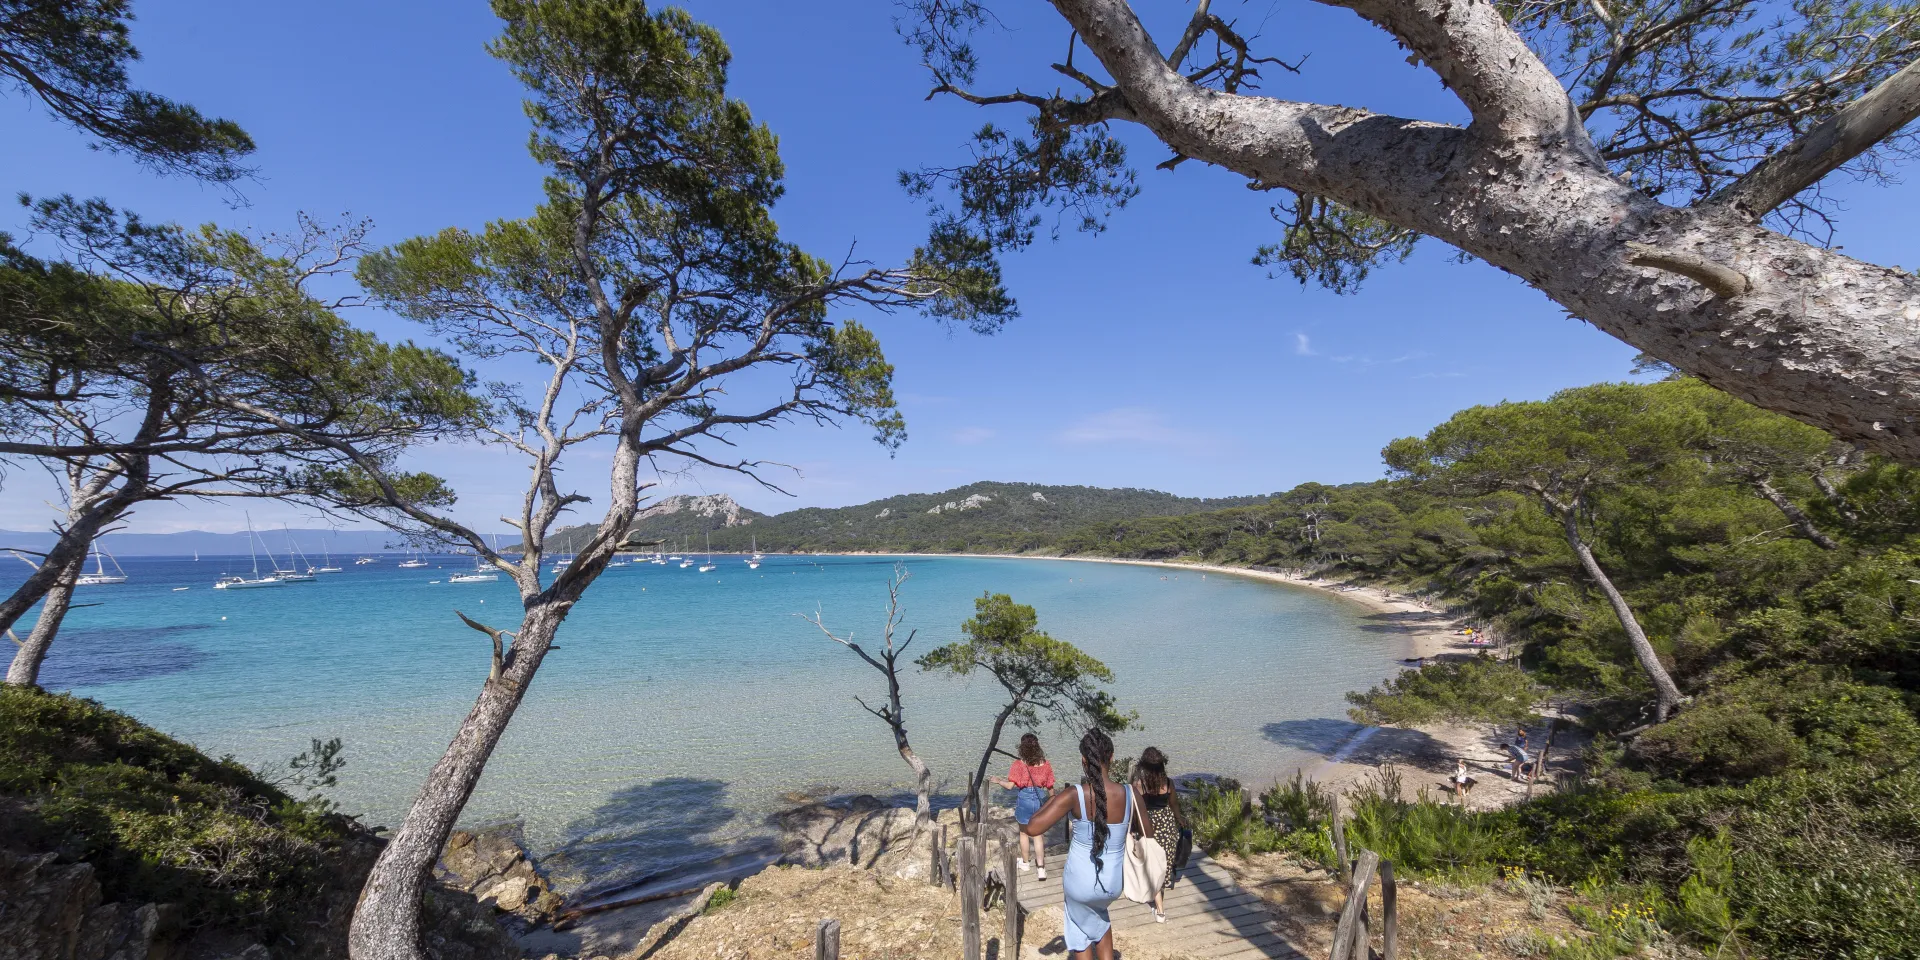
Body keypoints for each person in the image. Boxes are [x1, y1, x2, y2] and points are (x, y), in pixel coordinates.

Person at [1022, 729, 1152, 960]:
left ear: (1083, 760)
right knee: (1099, 919)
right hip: (1113, 882)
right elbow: (1147, 834)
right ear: (1111, 758)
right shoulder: (1131, 793)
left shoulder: (1075, 794)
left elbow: (1032, 827)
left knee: (1079, 930)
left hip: (1080, 883)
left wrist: (1053, 799)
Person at [1130, 747, 1186, 922]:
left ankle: (1160, 909)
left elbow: (1135, 810)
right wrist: (1179, 819)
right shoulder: (1168, 783)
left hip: (1149, 826)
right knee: (1164, 863)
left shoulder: (1140, 785)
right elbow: (1174, 804)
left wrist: (1131, 828)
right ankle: (1159, 896)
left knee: (1153, 865)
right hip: (1167, 825)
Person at [990, 733, 1056, 880]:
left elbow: (1009, 786)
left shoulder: (1019, 765)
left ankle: (1025, 863)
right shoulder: (1045, 763)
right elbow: (1050, 786)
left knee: (1024, 834)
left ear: (1022, 748)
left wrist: (998, 780)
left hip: (1024, 801)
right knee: (1038, 835)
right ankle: (1041, 869)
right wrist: (1053, 800)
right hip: (1039, 802)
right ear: (1037, 746)